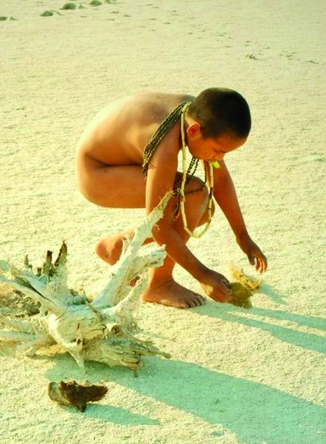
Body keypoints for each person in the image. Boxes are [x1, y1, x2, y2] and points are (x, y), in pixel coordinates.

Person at [76, 88, 268, 308]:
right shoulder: (164, 143)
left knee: (203, 211)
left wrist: (242, 236)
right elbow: (157, 224)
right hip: (96, 173)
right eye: (218, 150)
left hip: (120, 161)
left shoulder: (198, 114)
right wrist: (203, 274)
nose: (219, 158)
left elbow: (220, 178)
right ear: (194, 131)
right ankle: (159, 284)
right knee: (195, 194)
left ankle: (116, 247)